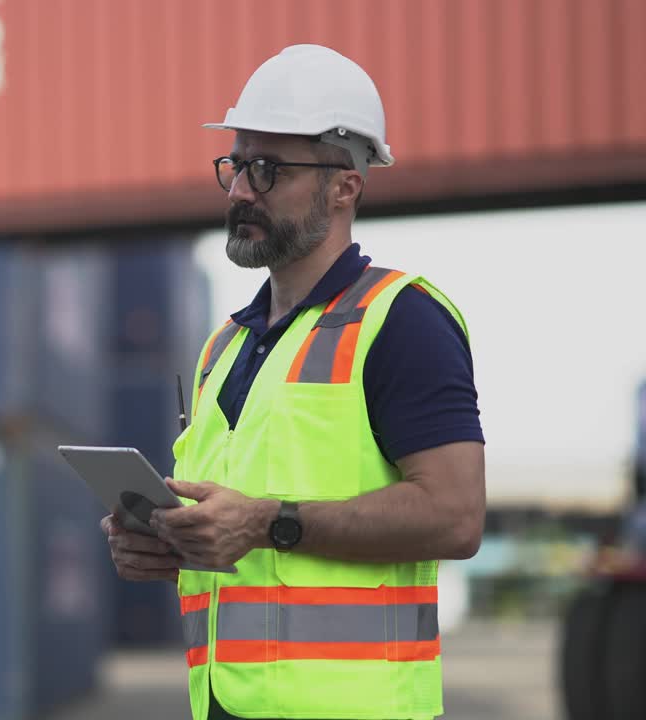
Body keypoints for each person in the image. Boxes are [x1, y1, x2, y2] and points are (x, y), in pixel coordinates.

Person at [101, 44, 485, 720]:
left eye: (268, 169)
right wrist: (169, 544)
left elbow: (456, 518)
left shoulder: (402, 321)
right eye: (236, 165)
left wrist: (266, 523)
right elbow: (239, 549)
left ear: (346, 186)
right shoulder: (222, 348)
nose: (241, 189)